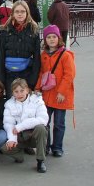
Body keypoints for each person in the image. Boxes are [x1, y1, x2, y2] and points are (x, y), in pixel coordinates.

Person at [34, 25, 75, 157]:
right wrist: (37, 88)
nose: (51, 40)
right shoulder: (44, 55)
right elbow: (41, 73)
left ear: (59, 38)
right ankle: (45, 146)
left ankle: (57, 147)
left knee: (59, 123)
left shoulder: (65, 55)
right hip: (47, 94)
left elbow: (69, 75)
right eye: (48, 37)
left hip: (60, 95)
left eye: (54, 37)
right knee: (45, 122)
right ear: (45, 40)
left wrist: (62, 92)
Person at [1, 79, 49, 173]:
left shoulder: (37, 100)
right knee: (4, 149)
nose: (19, 94)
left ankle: (40, 161)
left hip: (33, 135)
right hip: (20, 136)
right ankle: (20, 155)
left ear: (27, 90)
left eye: (22, 91)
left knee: (41, 128)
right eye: (16, 91)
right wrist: (12, 139)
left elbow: (43, 119)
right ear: (12, 93)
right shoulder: (9, 104)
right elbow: (8, 123)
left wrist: (21, 126)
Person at [0, 0, 41, 96]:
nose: (20, 14)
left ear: (27, 13)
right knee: (11, 106)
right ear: (12, 13)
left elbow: (37, 58)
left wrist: (33, 81)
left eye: (22, 11)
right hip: (9, 75)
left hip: (27, 75)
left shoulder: (34, 31)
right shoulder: (5, 31)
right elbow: (1, 56)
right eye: (17, 12)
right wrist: (1, 79)